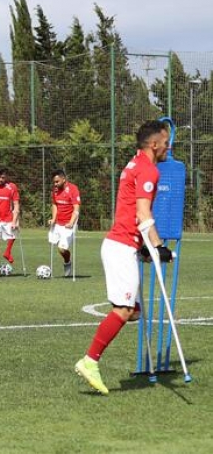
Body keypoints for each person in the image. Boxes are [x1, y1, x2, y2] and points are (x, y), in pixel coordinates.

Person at [75, 120, 172, 395]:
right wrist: (158, 245)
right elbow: (142, 212)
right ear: (154, 144)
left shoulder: (134, 163)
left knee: (133, 311)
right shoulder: (149, 169)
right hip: (120, 246)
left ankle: (91, 357)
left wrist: (142, 245)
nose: (168, 146)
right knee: (125, 310)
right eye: (165, 142)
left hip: (123, 244)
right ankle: (89, 360)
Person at [47, 170, 81, 277]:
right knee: (54, 242)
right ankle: (66, 258)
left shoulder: (73, 189)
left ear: (64, 179)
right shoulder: (55, 190)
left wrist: (71, 222)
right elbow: (55, 205)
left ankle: (67, 262)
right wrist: (53, 219)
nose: (55, 184)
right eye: (54, 182)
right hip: (58, 223)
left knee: (62, 249)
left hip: (69, 224)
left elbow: (76, 208)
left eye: (57, 182)